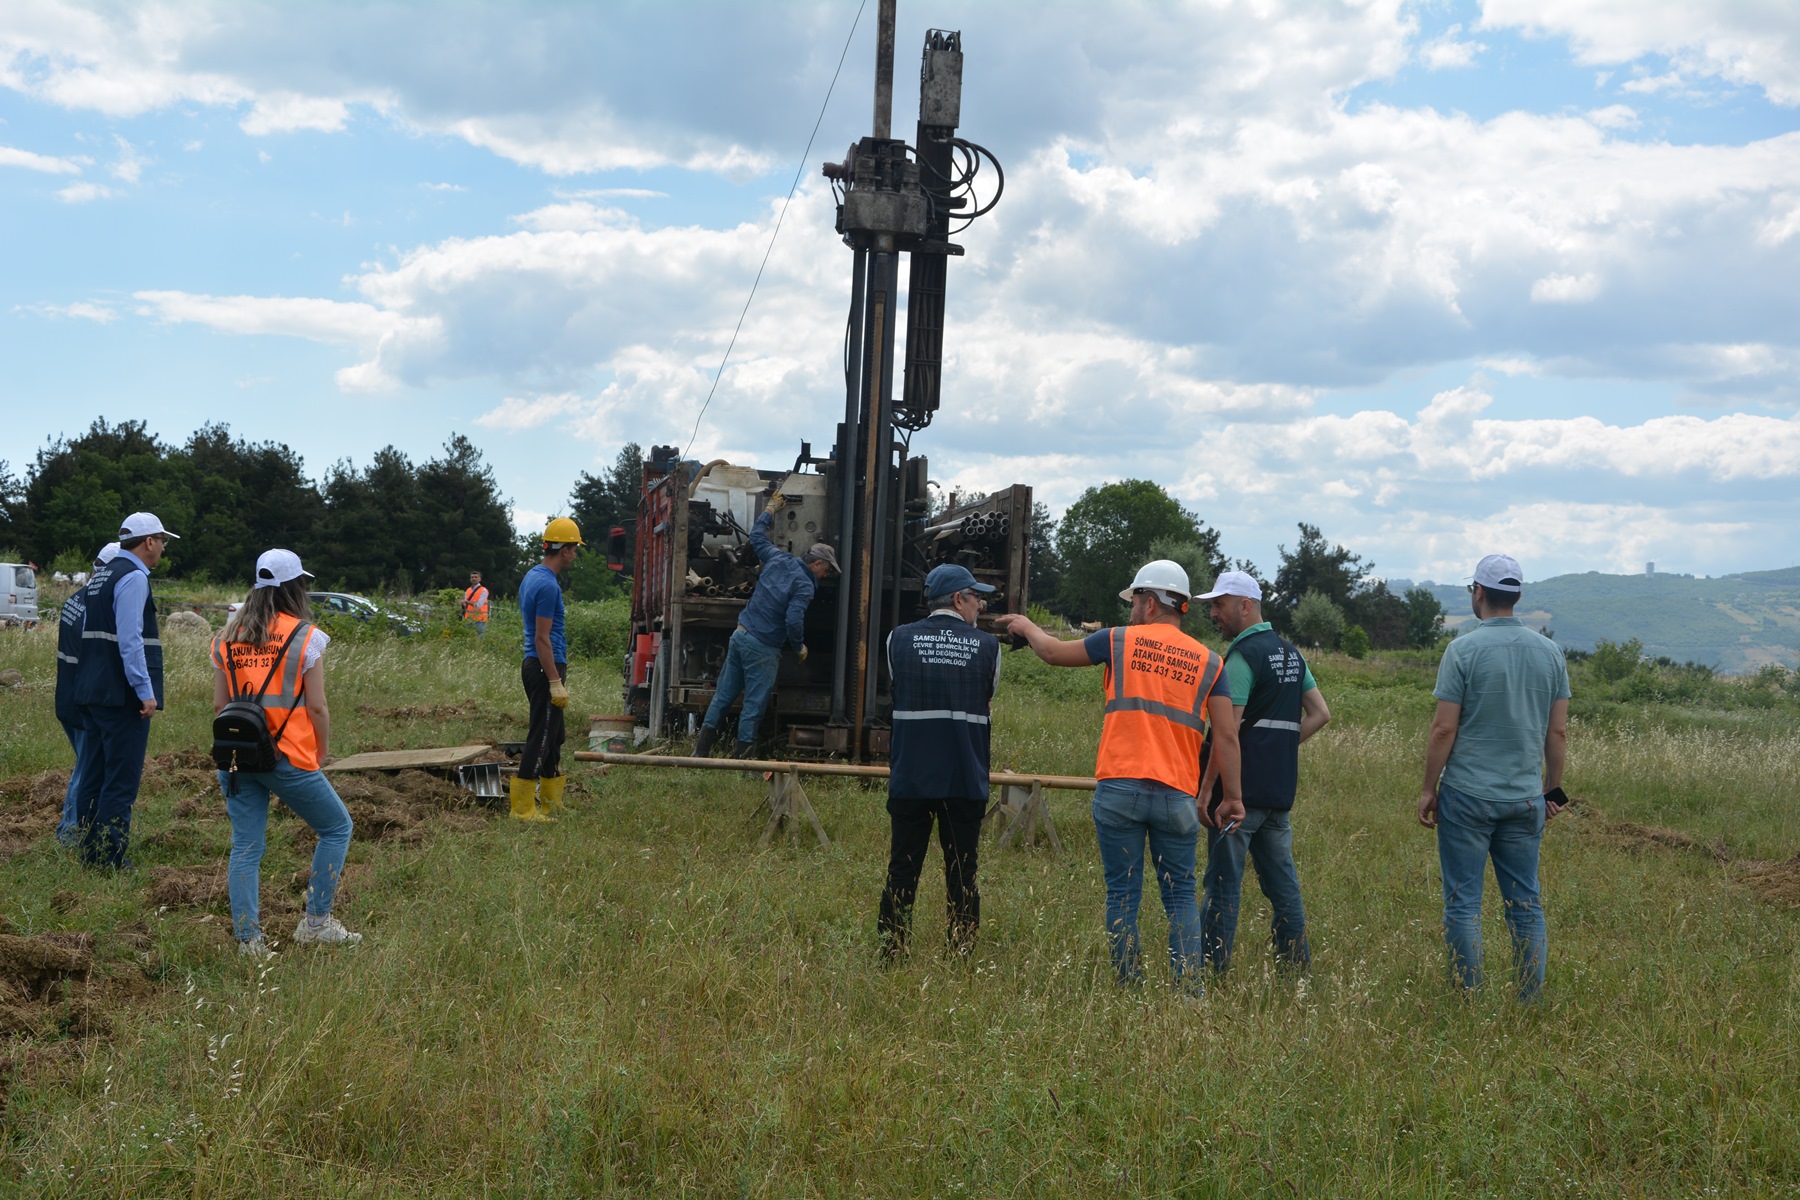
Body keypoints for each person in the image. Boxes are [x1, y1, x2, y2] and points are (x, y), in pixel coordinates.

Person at [998, 560, 1243, 988]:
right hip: (1177, 796)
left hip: (1119, 789)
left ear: (1150, 603)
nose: (1131, 610)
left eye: (1134, 601)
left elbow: (1053, 652)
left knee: (1123, 895)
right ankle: (1189, 989)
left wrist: (1026, 625)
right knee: (1181, 896)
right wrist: (1233, 797)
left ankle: (1130, 987)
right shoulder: (1211, 663)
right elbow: (1226, 737)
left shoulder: (1117, 641)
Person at [1417, 553, 1570, 1002]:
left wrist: (1429, 788)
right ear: (1518, 595)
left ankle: (1468, 997)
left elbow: (1445, 727)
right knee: (1525, 906)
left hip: (1467, 795)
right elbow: (1557, 731)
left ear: (1478, 593)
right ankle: (1528, 1001)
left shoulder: (1462, 650)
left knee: (1463, 904)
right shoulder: (1551, 653)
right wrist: (1551, 789)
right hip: (1524, 799)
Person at [211, 549, 361, 958]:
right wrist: (322, 751)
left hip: (237, 756)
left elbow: (221, 707)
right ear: (296, 587)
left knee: (246, 847)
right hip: (287, 756)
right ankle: (316, 922)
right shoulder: (306, 637)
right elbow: (317, 707)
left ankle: (249, 942)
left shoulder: (227, 636)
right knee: (336, 828)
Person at [1195, 570, 1331, 974]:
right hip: (1278, 796)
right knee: (1283, 886)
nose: (1213, 613)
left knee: (1222, 886)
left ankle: (1211, 969)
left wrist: (1206, 791)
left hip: (1237, 800)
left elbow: (1226, 731)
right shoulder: (1292, 654)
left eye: (1219, 605)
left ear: (1245, 605)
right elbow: (1321, 713)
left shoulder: (1241, 657)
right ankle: (1295, 967)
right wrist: (1279, 750)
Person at [878, 563, 1002, 959]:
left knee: (903, 868)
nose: (980, 605)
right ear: (957, 599)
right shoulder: (988, 647)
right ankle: (961, 953)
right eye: (976, 596)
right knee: (963, 872)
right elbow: (989, 695)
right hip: (965, 777)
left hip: (912, 776)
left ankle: (891, 951)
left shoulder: (897, 639)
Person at [693, 490, 839, 760]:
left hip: (740, 635)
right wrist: (798, 647)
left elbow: (757, 536)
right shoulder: (805, 584)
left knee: (723, 696)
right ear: (817, 563)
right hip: (763, 648)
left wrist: (771, 510)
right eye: (827, 569)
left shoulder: (778, 558)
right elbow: (793, 620)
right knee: (754, 704)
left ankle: (700, 752)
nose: (826, 574)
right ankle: (742, 759)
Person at [71, 512, 178, 870]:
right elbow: (131, 641)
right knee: (120, 780)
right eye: (162, 540)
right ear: (149, 541)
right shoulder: (133, 577)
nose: (163, 548)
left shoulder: (101, 577)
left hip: (91, 690)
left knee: (94, 775)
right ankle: (111, 859)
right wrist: (145, 691)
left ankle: (89, 853)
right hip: (119, 697)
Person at [511, 517, 583, 822]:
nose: (575, 555)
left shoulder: (533, 576)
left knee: (555, 736)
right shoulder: (548, 586)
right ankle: (523, 808)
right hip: (544, 668)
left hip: (540, 666)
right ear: (564, 550)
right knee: (541, 736)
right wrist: (554, 680)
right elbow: (542, 638)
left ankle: (552, 801)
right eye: (575, 549)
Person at [54, 542, 119, 846]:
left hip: (67, 697)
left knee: (86, 766)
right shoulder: (95, 610)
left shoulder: (74, 601)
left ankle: (80, 826)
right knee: (86, 769)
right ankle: (70, 833)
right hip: (83, 703)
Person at [461, 571, 490, 638]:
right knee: (468, 638)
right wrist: (462, 604)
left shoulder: (483, 590)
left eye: (476, 577)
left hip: (480, 619)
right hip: (469, 619)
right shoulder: (468, 590)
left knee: (479, 639)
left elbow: (478, 605)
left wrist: (466, 601)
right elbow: (466, 605)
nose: (474, 578)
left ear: (480, 579)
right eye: (472, 577)